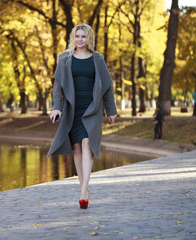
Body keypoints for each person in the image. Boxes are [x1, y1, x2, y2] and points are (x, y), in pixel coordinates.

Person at [47, 23, 117, 209]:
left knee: (88, 143)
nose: (80, 39)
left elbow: (107, 86)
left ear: (89, 39)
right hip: (72, 107)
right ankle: (83, 188)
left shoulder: (98, 59)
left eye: (83, 37)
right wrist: (56, 107)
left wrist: (111, 110)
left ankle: (84, 190)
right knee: (76, 147)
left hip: (92, 107)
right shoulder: (65, 58)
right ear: (73, 38)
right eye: (77, 36)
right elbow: (58, 87)